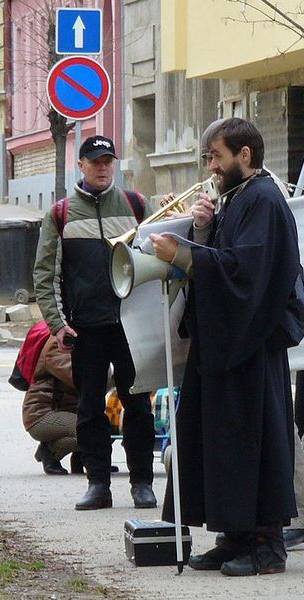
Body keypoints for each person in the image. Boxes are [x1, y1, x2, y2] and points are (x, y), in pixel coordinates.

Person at [150, 118, 303, 576]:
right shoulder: (238, 197)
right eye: (208, 158)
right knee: (219, 445)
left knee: (252, 445)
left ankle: (265, 545)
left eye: (216, 156)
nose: (211, 167)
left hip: (250, 347)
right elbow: (227, 256)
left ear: (245, 156)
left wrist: (183, 254)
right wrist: (202, 230)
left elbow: (246, 272)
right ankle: (233, 534)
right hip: (225, 344)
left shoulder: (264, 199)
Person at [33, 135, 157, 511]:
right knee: (89, 407)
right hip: (85, 327)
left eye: (108, 161)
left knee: (137, 405)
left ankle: (142, 484)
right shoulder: (61, 213)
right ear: (81, 165)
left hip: (131, 325)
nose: (103, 167)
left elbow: (156, 254)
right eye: (95, 161)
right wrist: (57, 324)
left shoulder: (135, 203)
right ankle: (98, 484)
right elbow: (44, 274)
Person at [23, 332, 79, 476]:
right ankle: (49, 451)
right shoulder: (57, 343)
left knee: (107, 427)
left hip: (71, 410)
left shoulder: (85, 338)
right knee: (88, 429)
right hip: (42, 414)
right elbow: (78, 378)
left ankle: (82, 459)